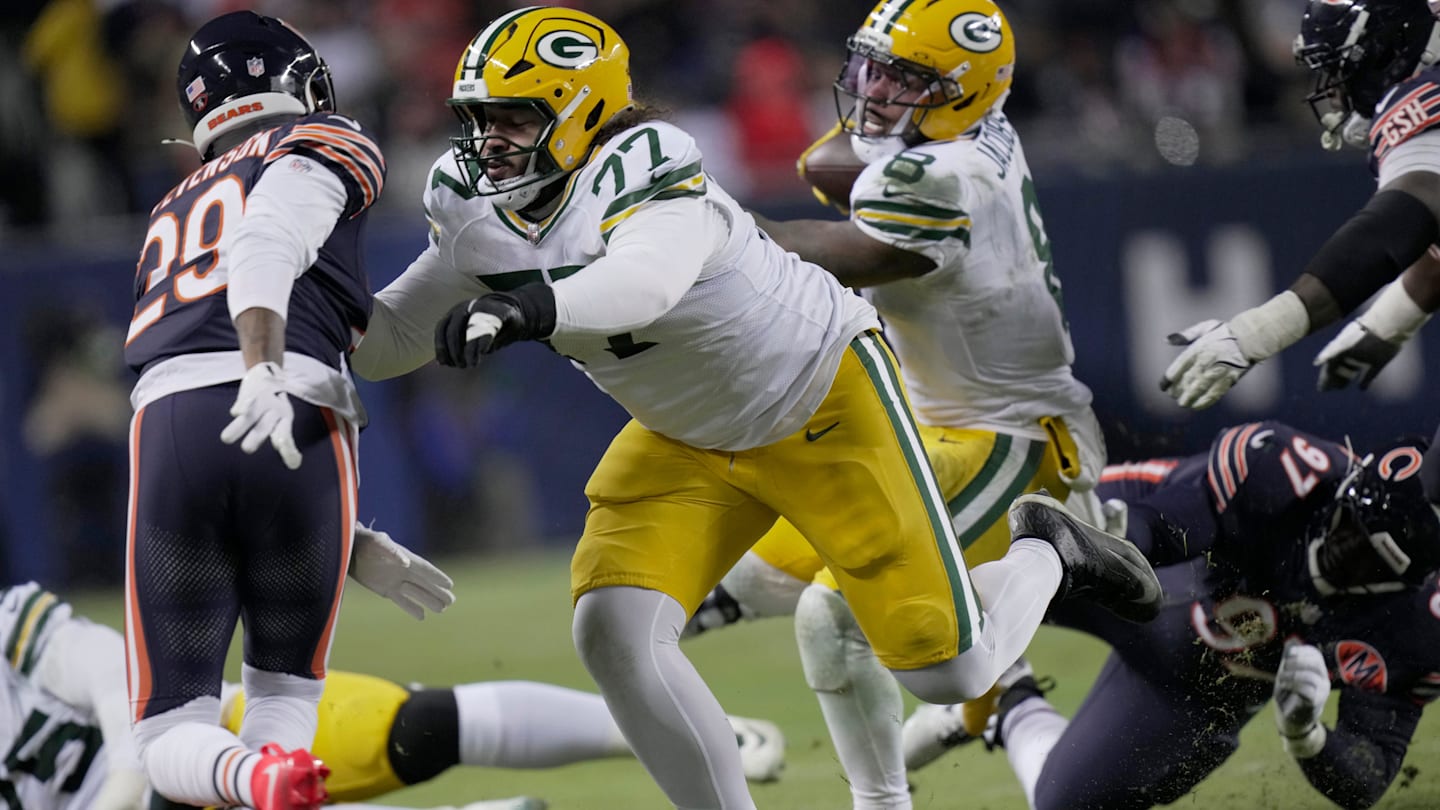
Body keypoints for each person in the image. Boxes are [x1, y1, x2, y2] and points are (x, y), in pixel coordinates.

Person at [347, 6, 1163, 808]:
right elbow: (387, 341)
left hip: (817, 397)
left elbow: (643, 284)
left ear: (581, 113)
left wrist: (528, 307)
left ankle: (1050, 552)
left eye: (515, 118)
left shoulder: (648, 159)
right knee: (612, 629)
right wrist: (302, 298)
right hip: (686, 435)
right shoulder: (471, 201)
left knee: (949, 668)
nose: (489, 140)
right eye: (479, 119)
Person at [680, 1, 1113, 805]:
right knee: (721, 590)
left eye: (905, 77)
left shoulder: (947, 176)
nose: (873, 89)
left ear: (963, 90)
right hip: (929, 433)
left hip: (1015, 442)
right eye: (872, 66)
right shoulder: (956, 141)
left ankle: (886, 796)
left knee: (832, 620)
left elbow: (832, 256)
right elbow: (833, 162)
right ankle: (1001, 698)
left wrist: (690, 222)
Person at [123, 11, 400, 810]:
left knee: (169, 727)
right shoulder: (322, 138)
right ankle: (269, 773)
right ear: (301, 82)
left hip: (175, 422)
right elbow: (266, 240)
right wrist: (263, 366)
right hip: (293, 399)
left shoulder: (173, 202)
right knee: (283, 696)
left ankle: (256, 781)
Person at [902, 421, 1440, 810]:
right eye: (1349, 518)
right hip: (1150, 559)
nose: (1341, 542)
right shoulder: (1283, 471)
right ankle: (974, 671)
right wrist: (1085, 546)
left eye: (1369, 553)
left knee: (1063, 802)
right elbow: (1162, 528)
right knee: (942, 556)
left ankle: (1011, 702)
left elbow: (1368, 773)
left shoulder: (1418, 627)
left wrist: (1307, 735)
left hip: (1204, 682)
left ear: (1410, 578)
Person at [0, 580, 784, 810]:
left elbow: (108, 665)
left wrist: (129, 786)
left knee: (410, 728)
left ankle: (656, 732)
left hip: (195, 741)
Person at [1160, 0, 1440, 500]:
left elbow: (1400, 224)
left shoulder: (1423, 95)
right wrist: (1390, 321)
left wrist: (1256, 333)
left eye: (1341, 68)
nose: (1332, 90)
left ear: (1392, 51)